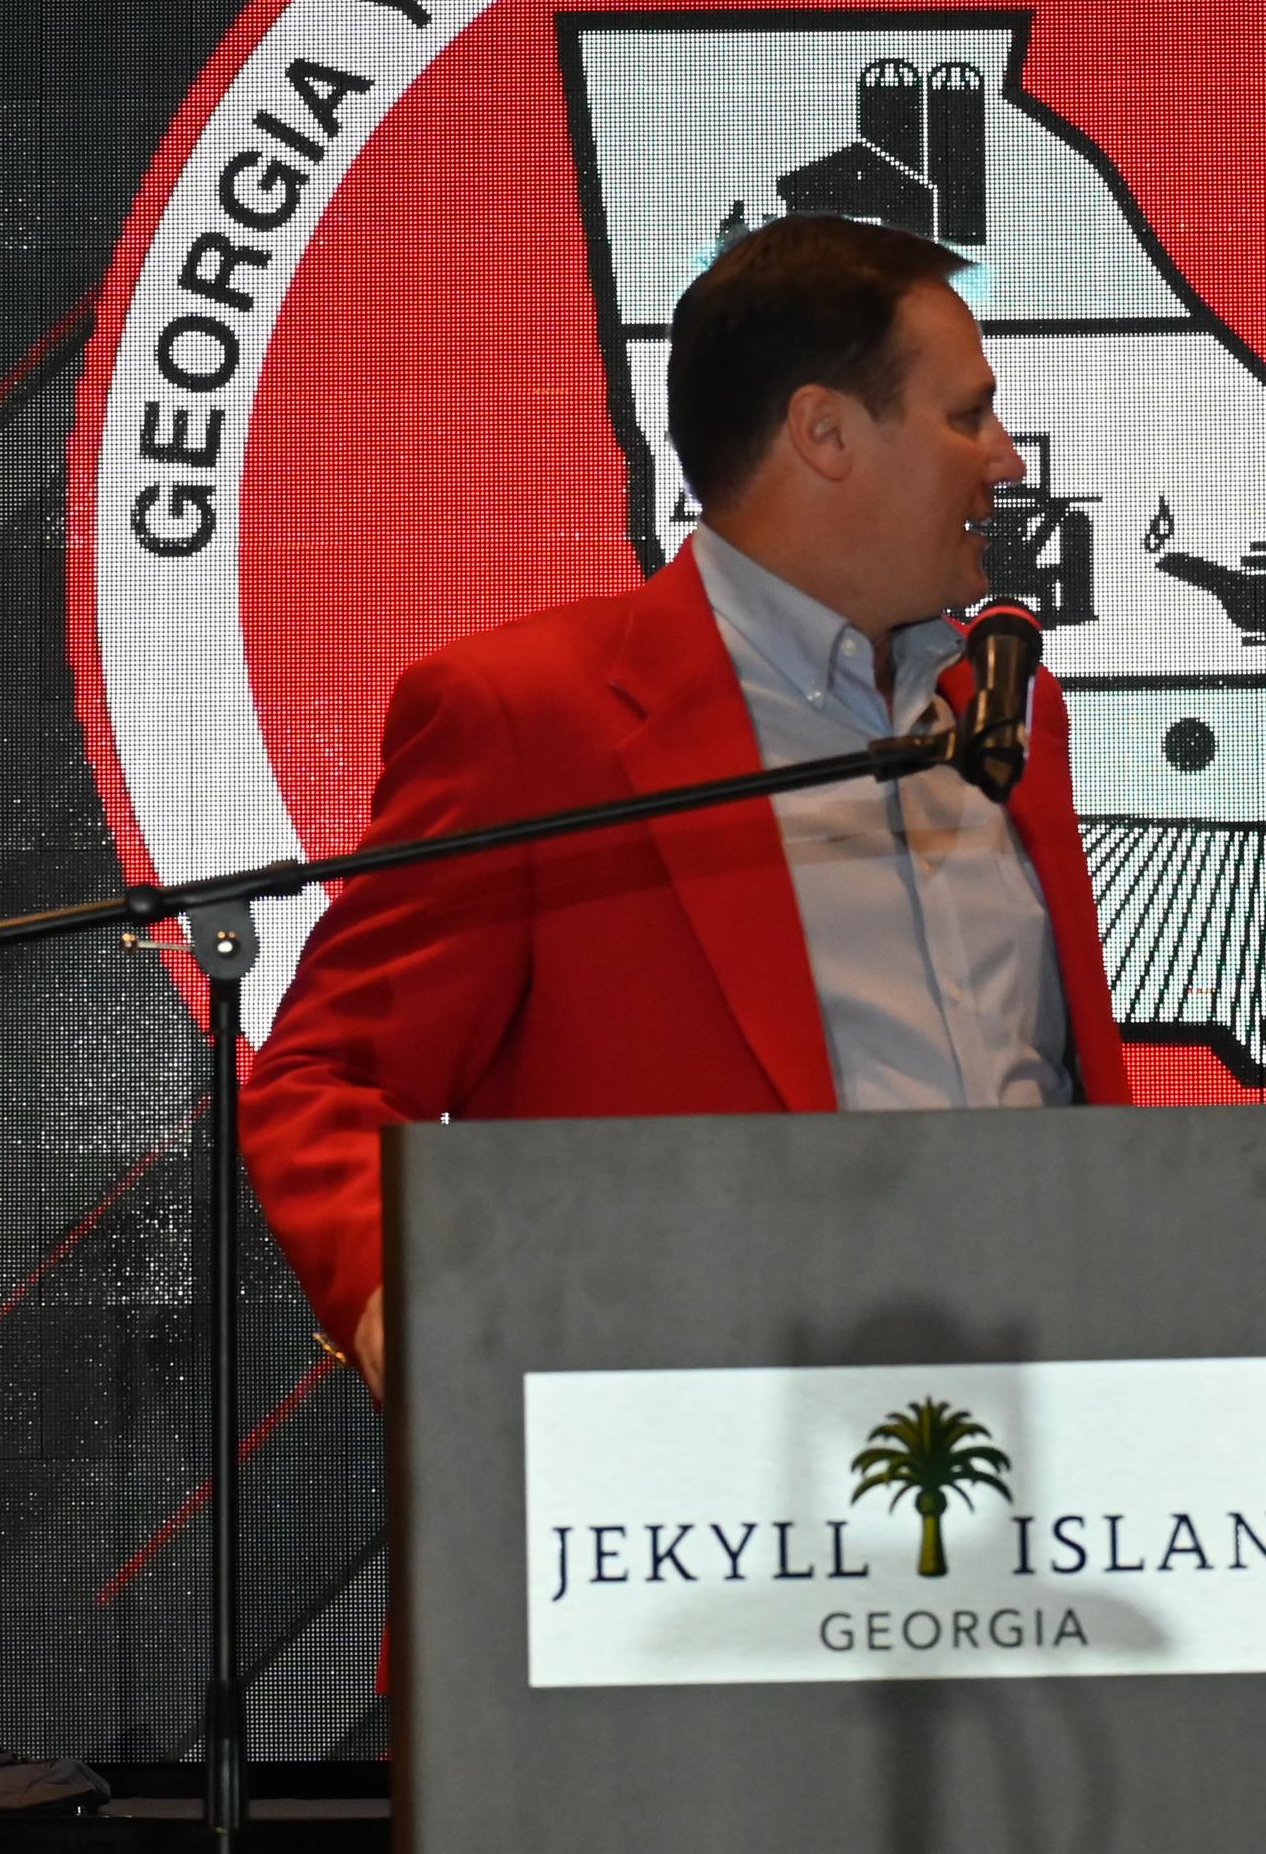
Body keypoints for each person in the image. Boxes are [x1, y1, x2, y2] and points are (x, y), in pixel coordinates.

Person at [239, 216, 1132, 1396]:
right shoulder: (534, 717)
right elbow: (332, 1080)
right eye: (968, 416)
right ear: (824, 433)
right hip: (698, 1431)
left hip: (1053, 1422)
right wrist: (404, 1294)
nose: (1006, 460)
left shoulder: (1006, 710)